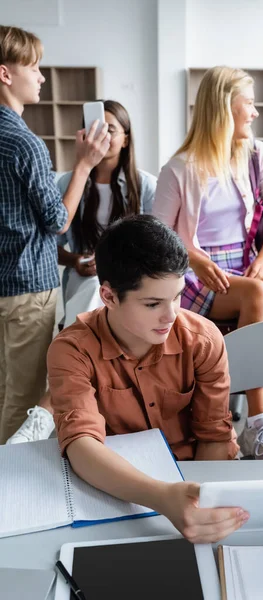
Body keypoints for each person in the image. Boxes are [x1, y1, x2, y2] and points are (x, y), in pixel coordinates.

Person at [47, 214, 246, 544]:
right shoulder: (71, 350)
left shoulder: (203, 339)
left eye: (177, 297)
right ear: (109, 297)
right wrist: (163, 497)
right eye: (153, 303)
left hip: (196, 480)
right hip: (113, 487)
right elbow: (81, 445)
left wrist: (202, 503)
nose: (170, 316)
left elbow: (214, 435)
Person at [153, 66, 263, 459]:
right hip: (197, 272)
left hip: (250, 265)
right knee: (256, 295)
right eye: (248, 103)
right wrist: (194, 260)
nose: (254, 112)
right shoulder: (179, 168)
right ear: (223, 107)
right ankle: (261, 417)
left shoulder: (255, 155)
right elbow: (159, 233)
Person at [6, 99, 157, 445]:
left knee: (96, 294)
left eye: (111, 130)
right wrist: (75, 260)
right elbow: (49, 242)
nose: (102, 137)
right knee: (92, 288)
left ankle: (45, 411)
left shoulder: (145, 186)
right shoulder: (67, 183)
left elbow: (155, 249)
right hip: (85, 280)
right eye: (95, 129)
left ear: (126, 139)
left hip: (128, 286)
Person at [0, 25, 110, 444]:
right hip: (28, 288)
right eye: (34, 66)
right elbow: (58, 221)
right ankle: (11, 491)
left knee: (2, 390)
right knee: (25, 399)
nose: (42, 77)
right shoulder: (25, 144)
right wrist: (84, 164)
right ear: (6, 74)